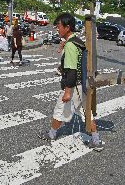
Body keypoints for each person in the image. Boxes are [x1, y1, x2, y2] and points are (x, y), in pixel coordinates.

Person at [38, 13, 103, 151]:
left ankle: (52, 134)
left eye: (59, 26)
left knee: (59, 111)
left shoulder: (70, 45)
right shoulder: (77, 41)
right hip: (83, 84)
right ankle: (96, 140)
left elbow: (71, 71)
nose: (57, 29)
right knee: (87, 113)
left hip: (73, 87)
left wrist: (67, 92)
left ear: (67, 27)